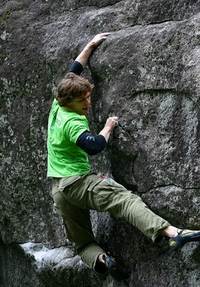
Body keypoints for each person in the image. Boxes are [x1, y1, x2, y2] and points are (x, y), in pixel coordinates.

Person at [47, 32, 200, 281]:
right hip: (77, 183)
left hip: (59, 190)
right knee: (125, 200)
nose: (87, 101)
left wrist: (91, 45)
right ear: (70, 101)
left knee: (83, 243)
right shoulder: (72, 122)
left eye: (88, 96)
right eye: (82, 99)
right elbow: (94, 145)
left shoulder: (58, 104)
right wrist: (108, 127)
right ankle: (173, 233)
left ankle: (102, 260)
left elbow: (74, 69)